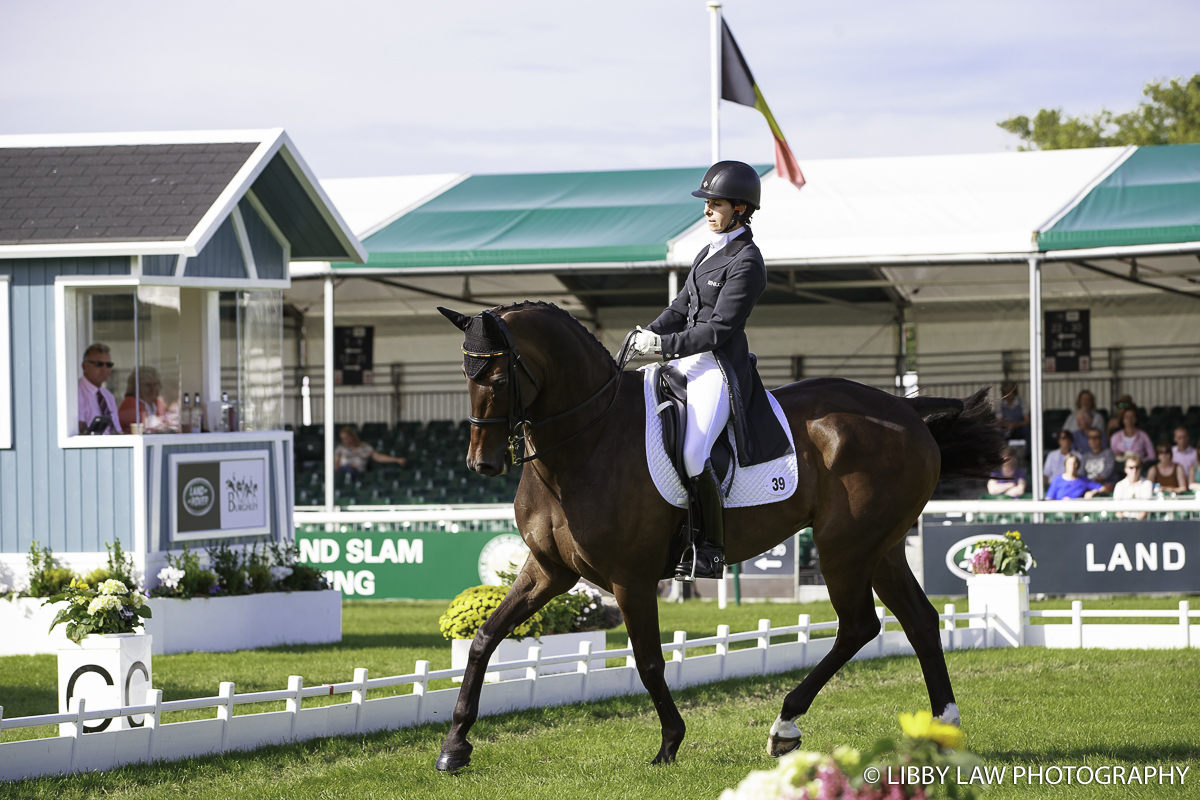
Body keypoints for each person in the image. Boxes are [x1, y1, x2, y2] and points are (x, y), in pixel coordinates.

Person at [629, 161, 790, 580]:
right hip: (684, 361)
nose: (707, 211)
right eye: (707, 203)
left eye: (715, 204)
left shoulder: (747, 260)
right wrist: (648, 333)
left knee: (693, 453)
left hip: (717, 368)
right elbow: (680, 308)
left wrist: (662, 346)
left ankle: (710, 549)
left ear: (740, 208)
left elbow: (717, 330)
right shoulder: (708, 251)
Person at [76, 342, 123, 435]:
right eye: (99, 364)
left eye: (108, 365)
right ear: (84, 366)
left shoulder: (108, 396)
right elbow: (80, 432)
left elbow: (117, 430)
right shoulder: (75, 392)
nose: (105, 369)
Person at [334, 426, 407, 477]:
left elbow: (379, 457)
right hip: (342, 471)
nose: (344, 441)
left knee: (350, 470)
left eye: (346, 438)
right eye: (342, 438)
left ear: (352, 436)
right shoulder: (340, 448)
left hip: (357, 472)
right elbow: (335, 464)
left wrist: (397, 460)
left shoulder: (365, 447)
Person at [118, 366, 170, 433]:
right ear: (135, 386)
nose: (153, 389)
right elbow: (144, 429)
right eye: (147, 385)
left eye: (155, 384)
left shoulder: (157, 403)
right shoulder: (131, 403)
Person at [1112, 454, 1155, 520]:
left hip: (1142, 524)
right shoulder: (1119, 485)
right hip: (1123, 523)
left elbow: (1145, 510)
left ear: (1141, 468)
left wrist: (1135, 524)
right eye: (1131, 467)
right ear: (1125, 469)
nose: (1134, 470)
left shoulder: (1147, 484)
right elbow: (1117, 511)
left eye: (1137, 467)